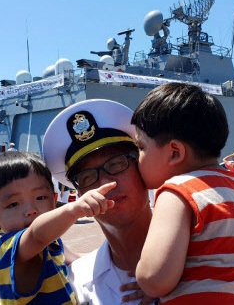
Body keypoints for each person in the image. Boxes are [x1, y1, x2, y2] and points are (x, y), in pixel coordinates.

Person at [131, 83, 234, 303]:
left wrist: (143, 280)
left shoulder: (177, 192)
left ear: (175, 153)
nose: (137, 157)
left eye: (141, 147)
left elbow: (153, 279)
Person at [44, 99, 155, 304]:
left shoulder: (206, 253)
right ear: (79, 193)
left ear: (140, 165)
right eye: (87, 177)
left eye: (116, 163)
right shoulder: (76, 282)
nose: (105, 183)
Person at [0, 151, 114, 304]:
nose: (31, 210)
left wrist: (120, 261)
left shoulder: (51, 241)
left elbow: (77, 259)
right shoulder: (9, 249)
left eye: (40, 197)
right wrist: (73, 210)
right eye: (13, 204)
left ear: (53, 200)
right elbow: (36, 234)